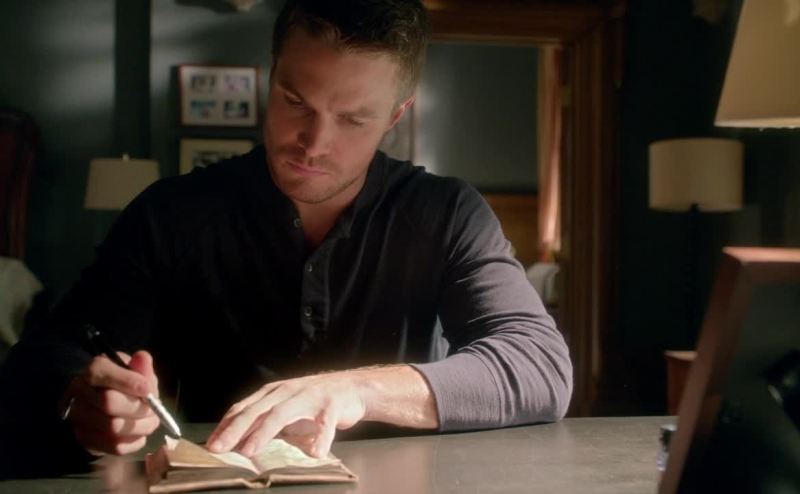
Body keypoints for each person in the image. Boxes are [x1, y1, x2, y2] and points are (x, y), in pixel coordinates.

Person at [0, 0, 571, 471]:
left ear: (395, 117)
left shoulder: (447, 212)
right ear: (271, 76)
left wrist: (353, 390)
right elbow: (46, 358)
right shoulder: (169, 214)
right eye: (295, 101)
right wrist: (79, 398)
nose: (313, 144)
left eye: (353, 119)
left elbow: (539, 365)